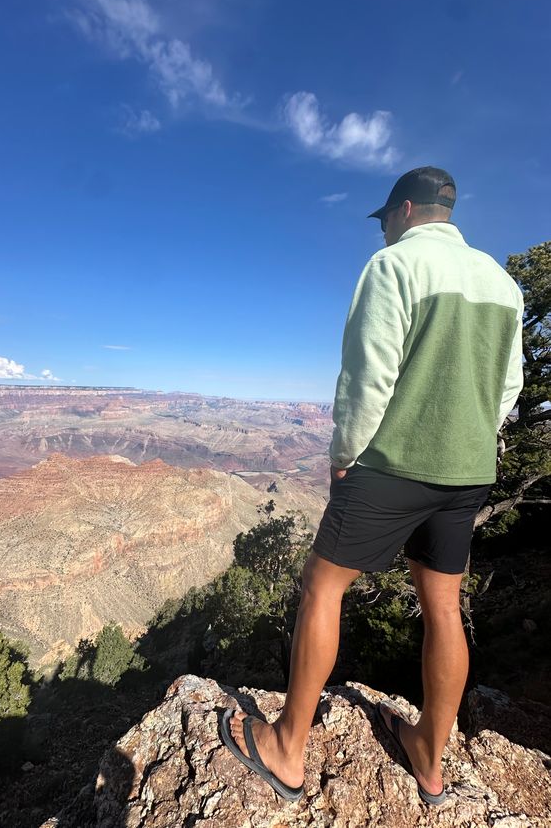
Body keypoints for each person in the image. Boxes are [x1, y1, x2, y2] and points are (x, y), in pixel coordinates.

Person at [220, 166, 524, 805]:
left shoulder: (394, 267)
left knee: (322, 588)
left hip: (392, 463)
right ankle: (429, 757)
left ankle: (286, 748)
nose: (383, 230)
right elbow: (509, 390)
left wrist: (343, 457)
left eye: (384, 218)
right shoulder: (502, 284)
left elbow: (367, 374)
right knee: (443, 608)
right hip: (468, 472)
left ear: (406, 210)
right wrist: (472, 437)